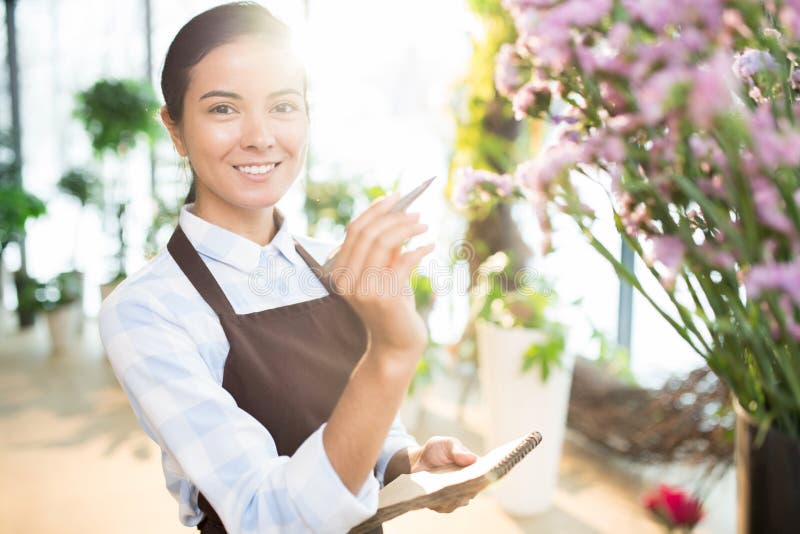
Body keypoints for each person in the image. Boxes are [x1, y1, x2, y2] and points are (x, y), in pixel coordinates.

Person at [98, 2, 481, 533]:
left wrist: (406, 461)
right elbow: (265, 517)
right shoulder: (147, 310)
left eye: (282, 106)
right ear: (176, 129)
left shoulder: (332, 261)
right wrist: (392, 351)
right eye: (223, 109)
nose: (260, 137)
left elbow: (355, 421)